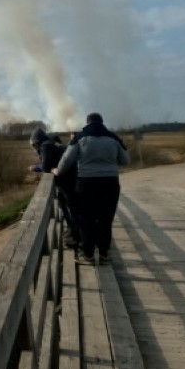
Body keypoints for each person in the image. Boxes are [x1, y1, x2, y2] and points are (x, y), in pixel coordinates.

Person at [53, 113, 129, 266]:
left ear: (87, 123)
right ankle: (104, 254)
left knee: (86, 218)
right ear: (102, 122)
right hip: (110, 183)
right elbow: (125, 160)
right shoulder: (113, 138)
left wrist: (57, 171)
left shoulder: (80, 138)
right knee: (106, 219)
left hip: (86, 183)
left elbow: (67, 159)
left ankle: (87, 254)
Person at [29, 128, 80, 247]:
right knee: (69, 206)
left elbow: (46, 167)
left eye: (33, 145)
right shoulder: (51, 144)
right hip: (70, 178)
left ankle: (75, 236)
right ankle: (73, 233)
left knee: (69, 207)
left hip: (66, 180)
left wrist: (36, 168)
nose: (33, 148)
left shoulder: (45, 146)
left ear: (36, 142)